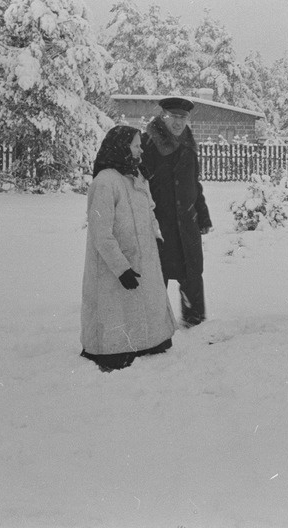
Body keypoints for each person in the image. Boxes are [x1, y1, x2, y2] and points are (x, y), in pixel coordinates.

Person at [80, 125, 177, 372]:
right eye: (135, 145)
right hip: (114, 266)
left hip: (143, 257)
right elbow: (100, 233)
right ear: (121, 148)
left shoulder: (137, 177)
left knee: (141, 306)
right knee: (117, 313)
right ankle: (113, 350)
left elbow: (150, 210)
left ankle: (147, 342)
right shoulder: (105, 183)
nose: (140, 149)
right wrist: (121, 267)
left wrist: (156, 238)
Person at [140, 97, 212, 327]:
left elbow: (194, 183)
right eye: (174, 117)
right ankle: (155, 322)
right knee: (157, 272)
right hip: (161, 221)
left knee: (191, 270)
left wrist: (202, 214)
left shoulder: (189, 145)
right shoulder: (148, 143)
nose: (179, 122)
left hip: (186, 220)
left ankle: (194, 319)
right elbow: (140, 184)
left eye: (183, 117)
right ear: (163, 116)